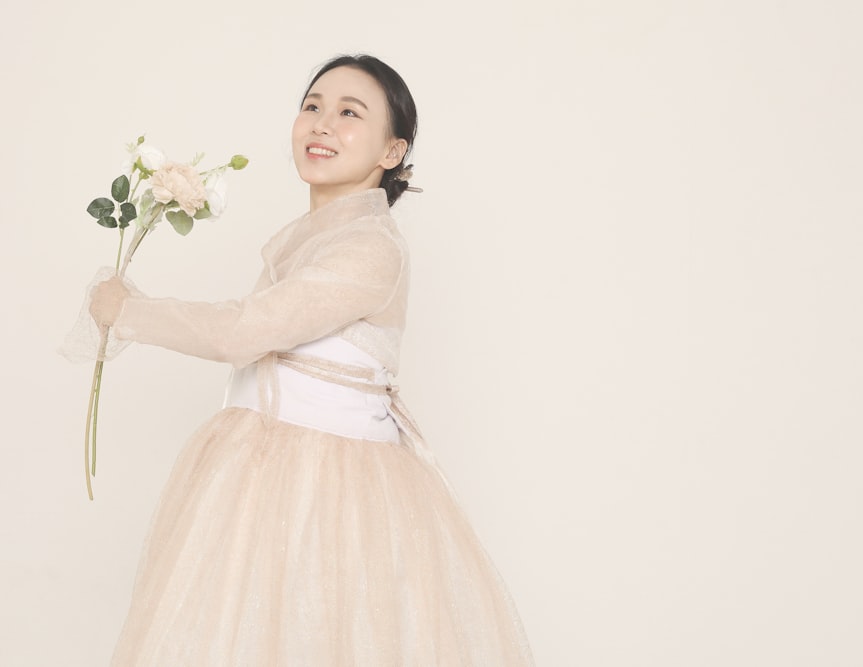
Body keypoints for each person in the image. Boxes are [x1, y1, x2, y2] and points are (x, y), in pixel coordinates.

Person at [89, 54, 534, 666]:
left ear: (391, 150)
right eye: (313, 106)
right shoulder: (314, 238)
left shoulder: (369, 246)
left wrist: (131, 312)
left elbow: (245, 331)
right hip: (262, 478)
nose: (322, 124)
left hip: (332, 493)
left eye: (350, 113)